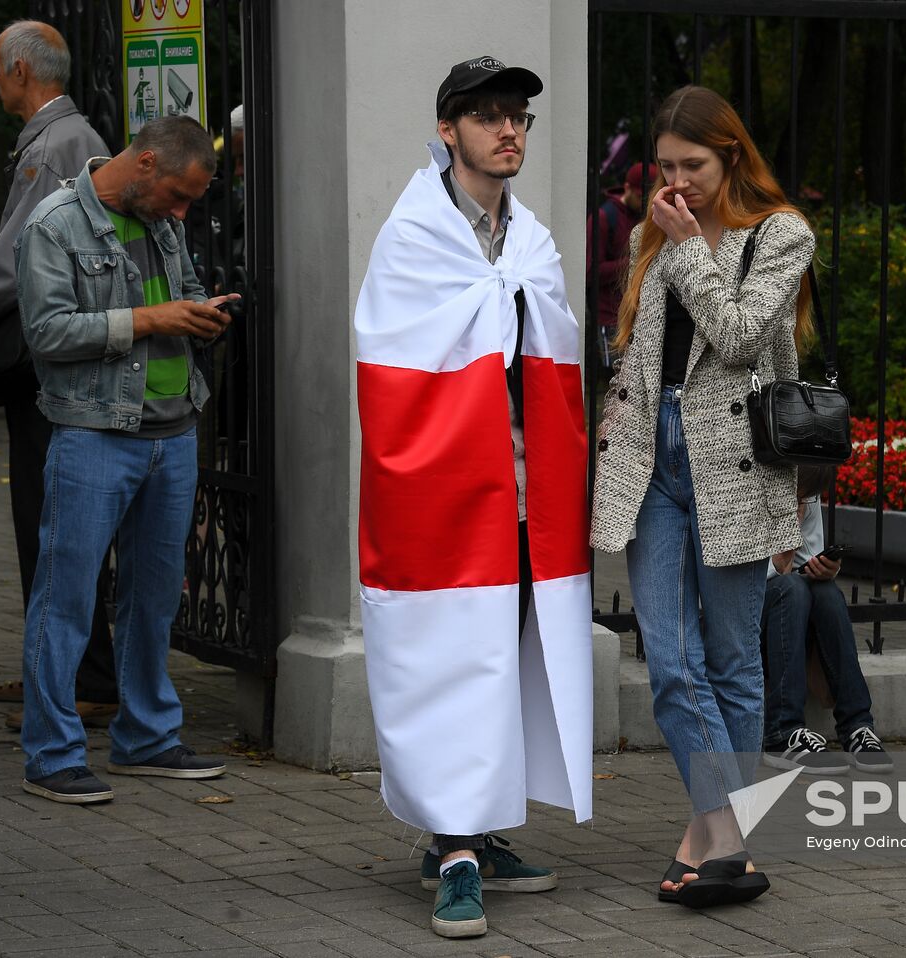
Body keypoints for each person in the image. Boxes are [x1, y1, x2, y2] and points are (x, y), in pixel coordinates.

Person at [353, 56, 593, 940]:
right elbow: (393, 365)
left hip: (525, 492)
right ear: (449, 128)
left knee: (506, 655)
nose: (510, 130)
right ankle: (454, 857)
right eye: (490, 115)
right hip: (446, 492)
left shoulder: (530, 241)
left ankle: (473, 834)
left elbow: (556, 361)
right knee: (452, 657)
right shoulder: (414, 235)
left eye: (520, 116)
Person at [591, 85, 815, 908]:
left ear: (732, 157)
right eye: (666, 168)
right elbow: (637, 349)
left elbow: (739, 336)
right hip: (655, 454)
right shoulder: (658, 228)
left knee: (731, 661)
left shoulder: (780, 233)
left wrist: (686, 248)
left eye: (696, 167)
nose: (678, 183)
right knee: (672, 664)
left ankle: (709, 839)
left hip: (737, 462)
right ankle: (728, 834)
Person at [14, 116, 237, 805]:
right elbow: (47, 333)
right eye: (177, 195)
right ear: (142, 165)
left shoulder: (161, 222)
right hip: (93, 434)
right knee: (67, 595)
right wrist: (152, 320)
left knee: (151, 599)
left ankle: (145, 738)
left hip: (172, 435)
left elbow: (185, 288)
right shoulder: (54, 224)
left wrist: (201, 310)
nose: (182, 212)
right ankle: (51, 754)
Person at [0, 20, 120, 731]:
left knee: (51, 519)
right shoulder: (68, 139)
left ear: (21, 69)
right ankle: (59, 669)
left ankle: (83, 680)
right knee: (45, 516)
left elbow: (21, 256)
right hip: (58, 360)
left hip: (49, 361)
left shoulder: (54, 145)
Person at [763, 466, 892, 775]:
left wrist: (823, 569)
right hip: (742, 618)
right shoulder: (746, 490)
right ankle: (782, 733)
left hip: (789, 620)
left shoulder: (804, 489)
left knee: (824, 591)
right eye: (796, 498)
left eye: (806, 499)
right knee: (791, 589)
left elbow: (807, 558)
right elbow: (729, 579)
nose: (803, 506)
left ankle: (857, 726)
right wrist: (778, 559)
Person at [586, 161, 656, 349]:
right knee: (613, 374)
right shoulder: (604, 217)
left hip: (639, 314)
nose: (645, 203)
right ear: (627, 188)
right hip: (608, 314)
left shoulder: (647, 217)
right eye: (641, 197)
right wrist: (634, 262)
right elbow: (591, 272)